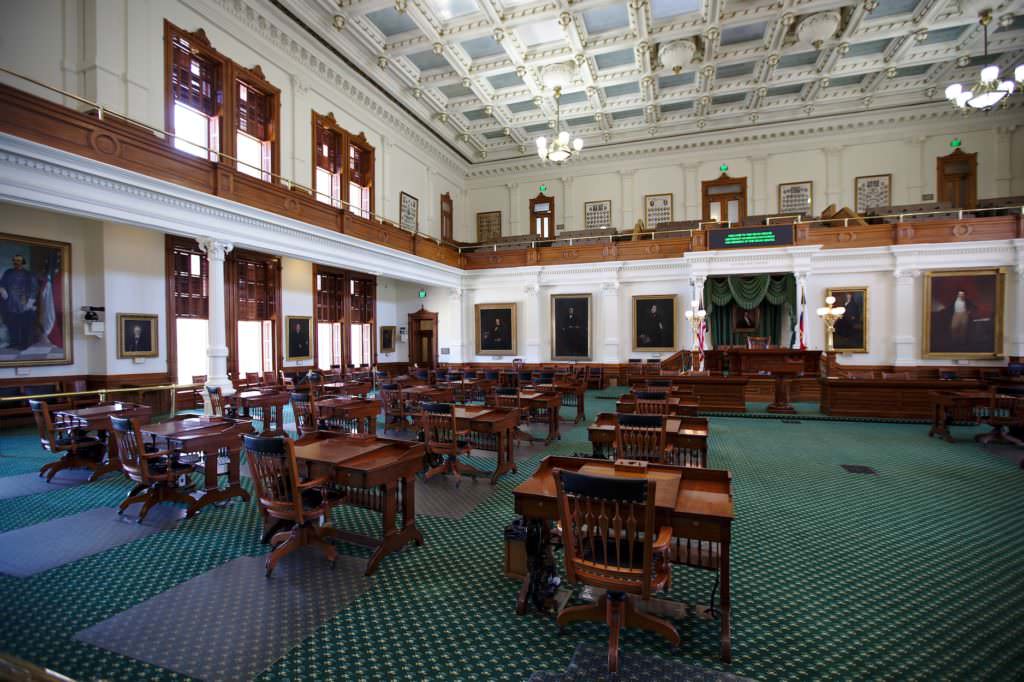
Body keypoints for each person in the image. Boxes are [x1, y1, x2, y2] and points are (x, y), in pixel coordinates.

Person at [0, 254, 39, 350]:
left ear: (23, 262)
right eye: (15, 260)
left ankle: (24, 344)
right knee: (11, 324)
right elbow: (2, 284)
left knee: (24, 324)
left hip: (23, 302)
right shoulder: (8, 272)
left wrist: (30, 302)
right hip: (9, 302)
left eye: (19, 260)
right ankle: (14, 343)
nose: (16, 262)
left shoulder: (28, 274)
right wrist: (2, 289)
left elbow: (34, 288)